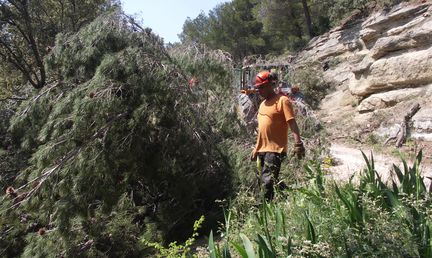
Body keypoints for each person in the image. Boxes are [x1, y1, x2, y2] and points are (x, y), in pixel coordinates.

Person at [250, 70, 305, 200]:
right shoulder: (262, 104)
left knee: (267, 181)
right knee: (265, 179)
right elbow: (262, 129)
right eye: (257, 88)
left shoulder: (282, 101)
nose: (259, 91)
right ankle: (289, 196)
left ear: (270, 85)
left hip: (275, 149)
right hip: (262, 150)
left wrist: (298, 143)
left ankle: (264, 208)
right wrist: (256, 148)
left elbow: (292, 123)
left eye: (261, 87)